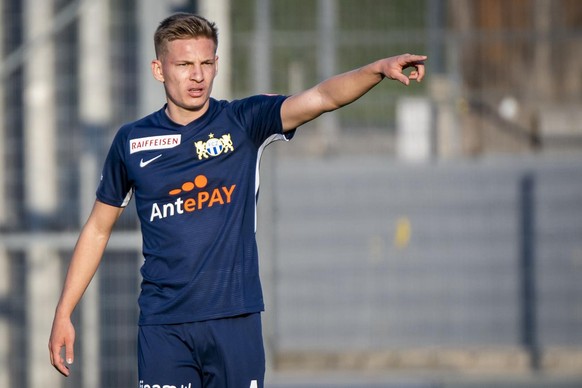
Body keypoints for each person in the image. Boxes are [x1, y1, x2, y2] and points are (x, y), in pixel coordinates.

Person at [48, 12, 426, 388]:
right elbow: (98, 229)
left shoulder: (243, 122)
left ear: (216, 65)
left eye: (206, 63)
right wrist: (64, 311)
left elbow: (322, 97)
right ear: (158, 69)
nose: (197, 76)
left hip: (234, 320)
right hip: (164, 326)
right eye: (183, 64)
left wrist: (377, 69)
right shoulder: (131, 142)